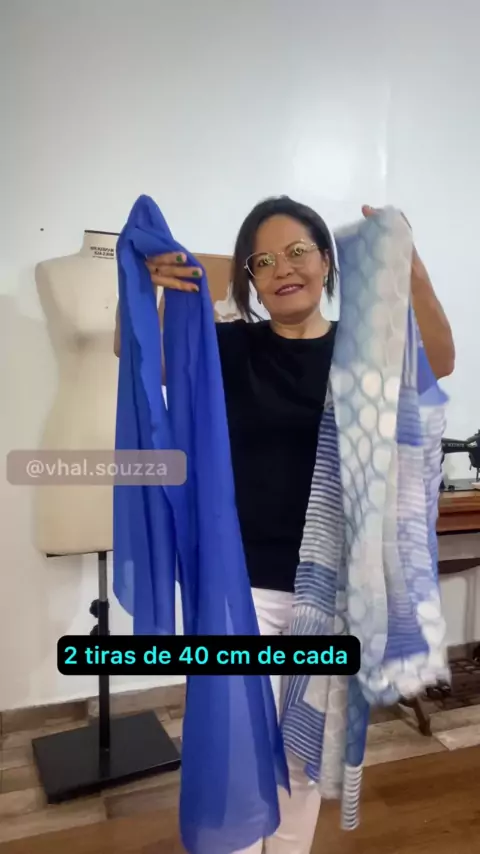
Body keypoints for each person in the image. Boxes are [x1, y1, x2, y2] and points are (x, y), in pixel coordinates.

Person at [114, 196, 455, 854]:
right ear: (250, 279)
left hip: (327, 597)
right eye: (263, 261)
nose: (283, 269)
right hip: (238, 594)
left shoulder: (362, 351)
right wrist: (150, 291)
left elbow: (437, 359)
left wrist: (409, 266)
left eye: (298, 251)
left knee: (303, 756)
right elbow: (146, 361)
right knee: (232, 755)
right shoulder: (228, 346)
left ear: (326, 261)